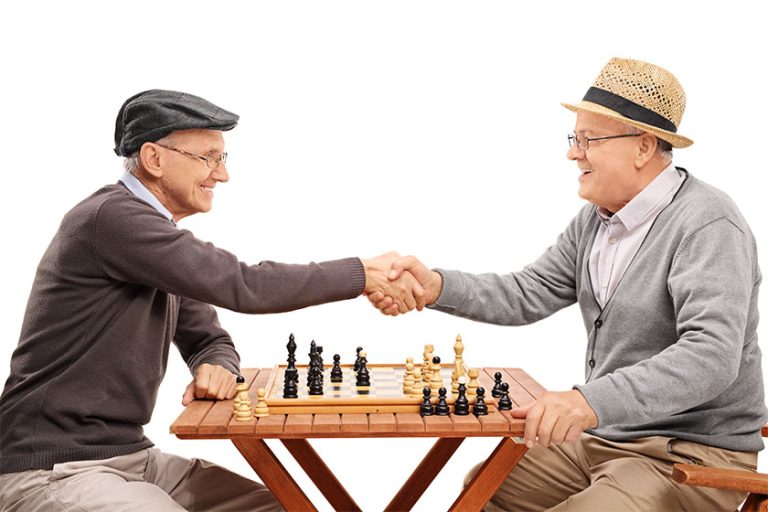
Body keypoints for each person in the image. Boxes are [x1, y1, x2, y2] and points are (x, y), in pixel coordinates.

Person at [370, 57, 767, 511]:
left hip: (688, 454)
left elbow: (711, 356)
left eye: (588, 139)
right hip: (605, 439)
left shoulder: (707, 224)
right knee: (483, 491)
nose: (573, 153)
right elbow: (527, 292)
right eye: (573, 138)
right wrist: (437, 286)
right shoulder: (597, 222)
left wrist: (587, 401)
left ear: (643, 146)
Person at [0, 89, 424, 512]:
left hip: (132, 458)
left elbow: (208, 336)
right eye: (208, 158)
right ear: (154, 158)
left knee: (286, 508)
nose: (221, 176)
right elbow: (244, 285)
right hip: (55, 468)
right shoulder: (113, 219)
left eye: (222, 159)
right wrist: (361, 273)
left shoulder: (153, 241)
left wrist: (217, 364)